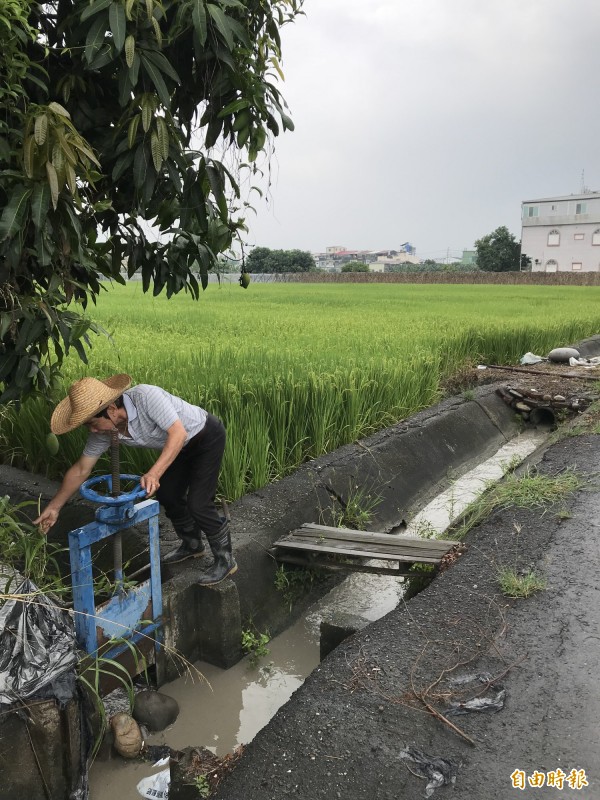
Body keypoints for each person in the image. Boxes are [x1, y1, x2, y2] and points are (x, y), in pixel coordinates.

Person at [34, 374, 237, 586]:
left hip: (205, 436)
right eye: (88, 426)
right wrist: (54, 508)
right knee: (168, 494)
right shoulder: (103, 432)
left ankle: (225, 559)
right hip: (181, 447)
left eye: (94, 423)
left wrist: (154, 473)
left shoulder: (146, 397)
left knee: (199, 504)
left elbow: (178, 434)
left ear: (111, 409)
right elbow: (81, 469)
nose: (93, 430)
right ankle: (193, 545)